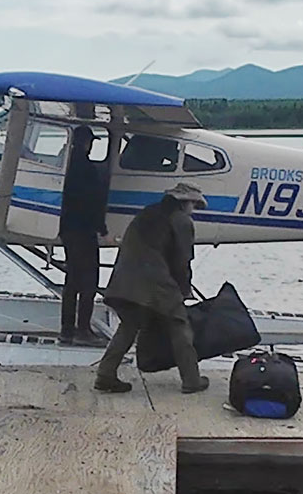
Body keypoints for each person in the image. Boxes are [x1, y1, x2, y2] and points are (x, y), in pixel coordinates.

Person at [94, 182, 208, 394]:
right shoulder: (182, 220)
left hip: (124, 278)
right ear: (187, 202)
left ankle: (105, 374)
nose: (194, 209)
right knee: (179, 324)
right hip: (155, 279)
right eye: (194, 204)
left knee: (129, 325)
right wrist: (183, 290)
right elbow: (182, 261)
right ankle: (192, 380)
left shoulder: (148, 212)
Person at [58, 126, 109, 344]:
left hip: (67, 229)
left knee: (72, 281)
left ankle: (67, 330)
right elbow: (92, 201)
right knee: (89, 282)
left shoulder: (66, 163)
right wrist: (102, 228)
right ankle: (83, 331)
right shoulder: (86, 168)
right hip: (83, 230)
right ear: (86, 143)